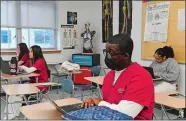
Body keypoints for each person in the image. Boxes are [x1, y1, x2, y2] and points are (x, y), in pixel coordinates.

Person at [80, 34, 154, 120]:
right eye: (106, 52)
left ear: (125, 56)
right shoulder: (110, 75)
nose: (108, 57)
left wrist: (100, 102)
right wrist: (93, 100)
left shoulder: (141, 77)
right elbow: (111, 102)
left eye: (111, 53)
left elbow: (124, 114)